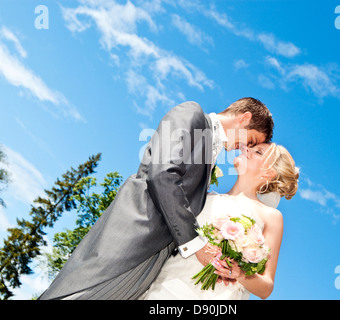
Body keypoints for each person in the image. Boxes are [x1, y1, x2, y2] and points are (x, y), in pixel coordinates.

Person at [38, 97, 274, 300]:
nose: (243, 149)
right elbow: (163, 174)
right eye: (250, 141)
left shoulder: (213, 156)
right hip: (134, 234)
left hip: (156, 258)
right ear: (244, 118)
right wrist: (197, 245)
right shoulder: (191, 113)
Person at [141, 142, 299, 300]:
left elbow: (266, 287)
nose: (247, 150)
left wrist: (239, 272)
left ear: (269, 173)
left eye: (258, 152)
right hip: (167, 289)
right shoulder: (205, 197)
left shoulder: (271, 216)